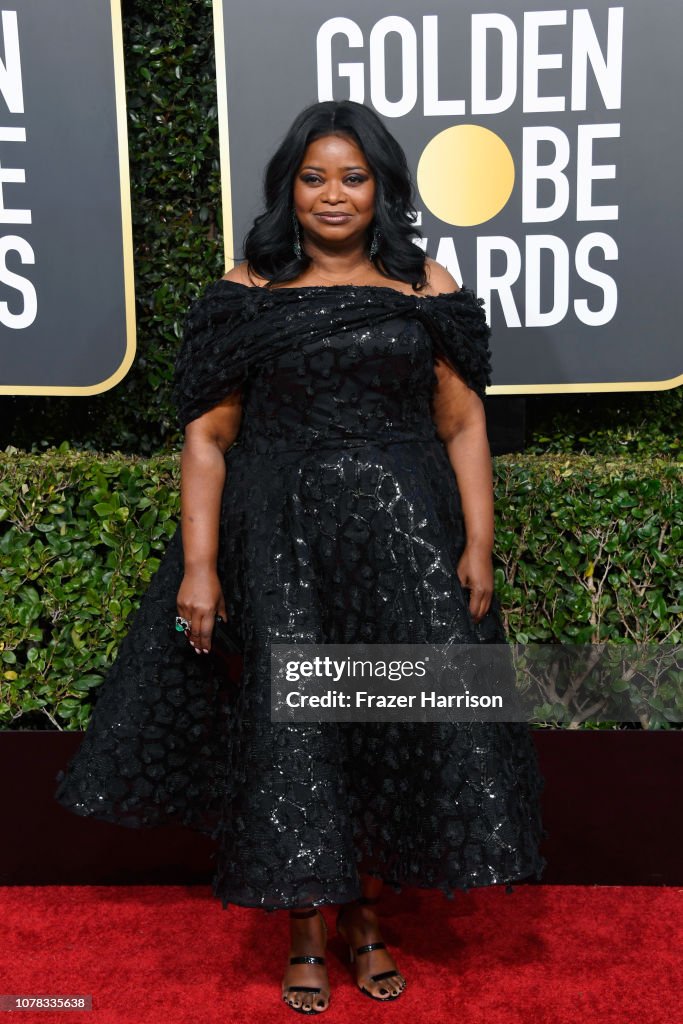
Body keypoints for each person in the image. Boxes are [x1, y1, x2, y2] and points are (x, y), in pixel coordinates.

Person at [54, 99, 547, 1014]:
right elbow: (206, 439)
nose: (332, 195)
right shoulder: (242, 295)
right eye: (313, 177)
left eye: (352, 177)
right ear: (288, 186)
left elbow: (464, 420)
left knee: (385, 728)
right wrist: (201, 567)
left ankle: (367, 919)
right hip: (281, 548)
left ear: (382, 188)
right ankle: (307, 930)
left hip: (405, 545)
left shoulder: (427, 287)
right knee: (298, 735)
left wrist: (477, 542)